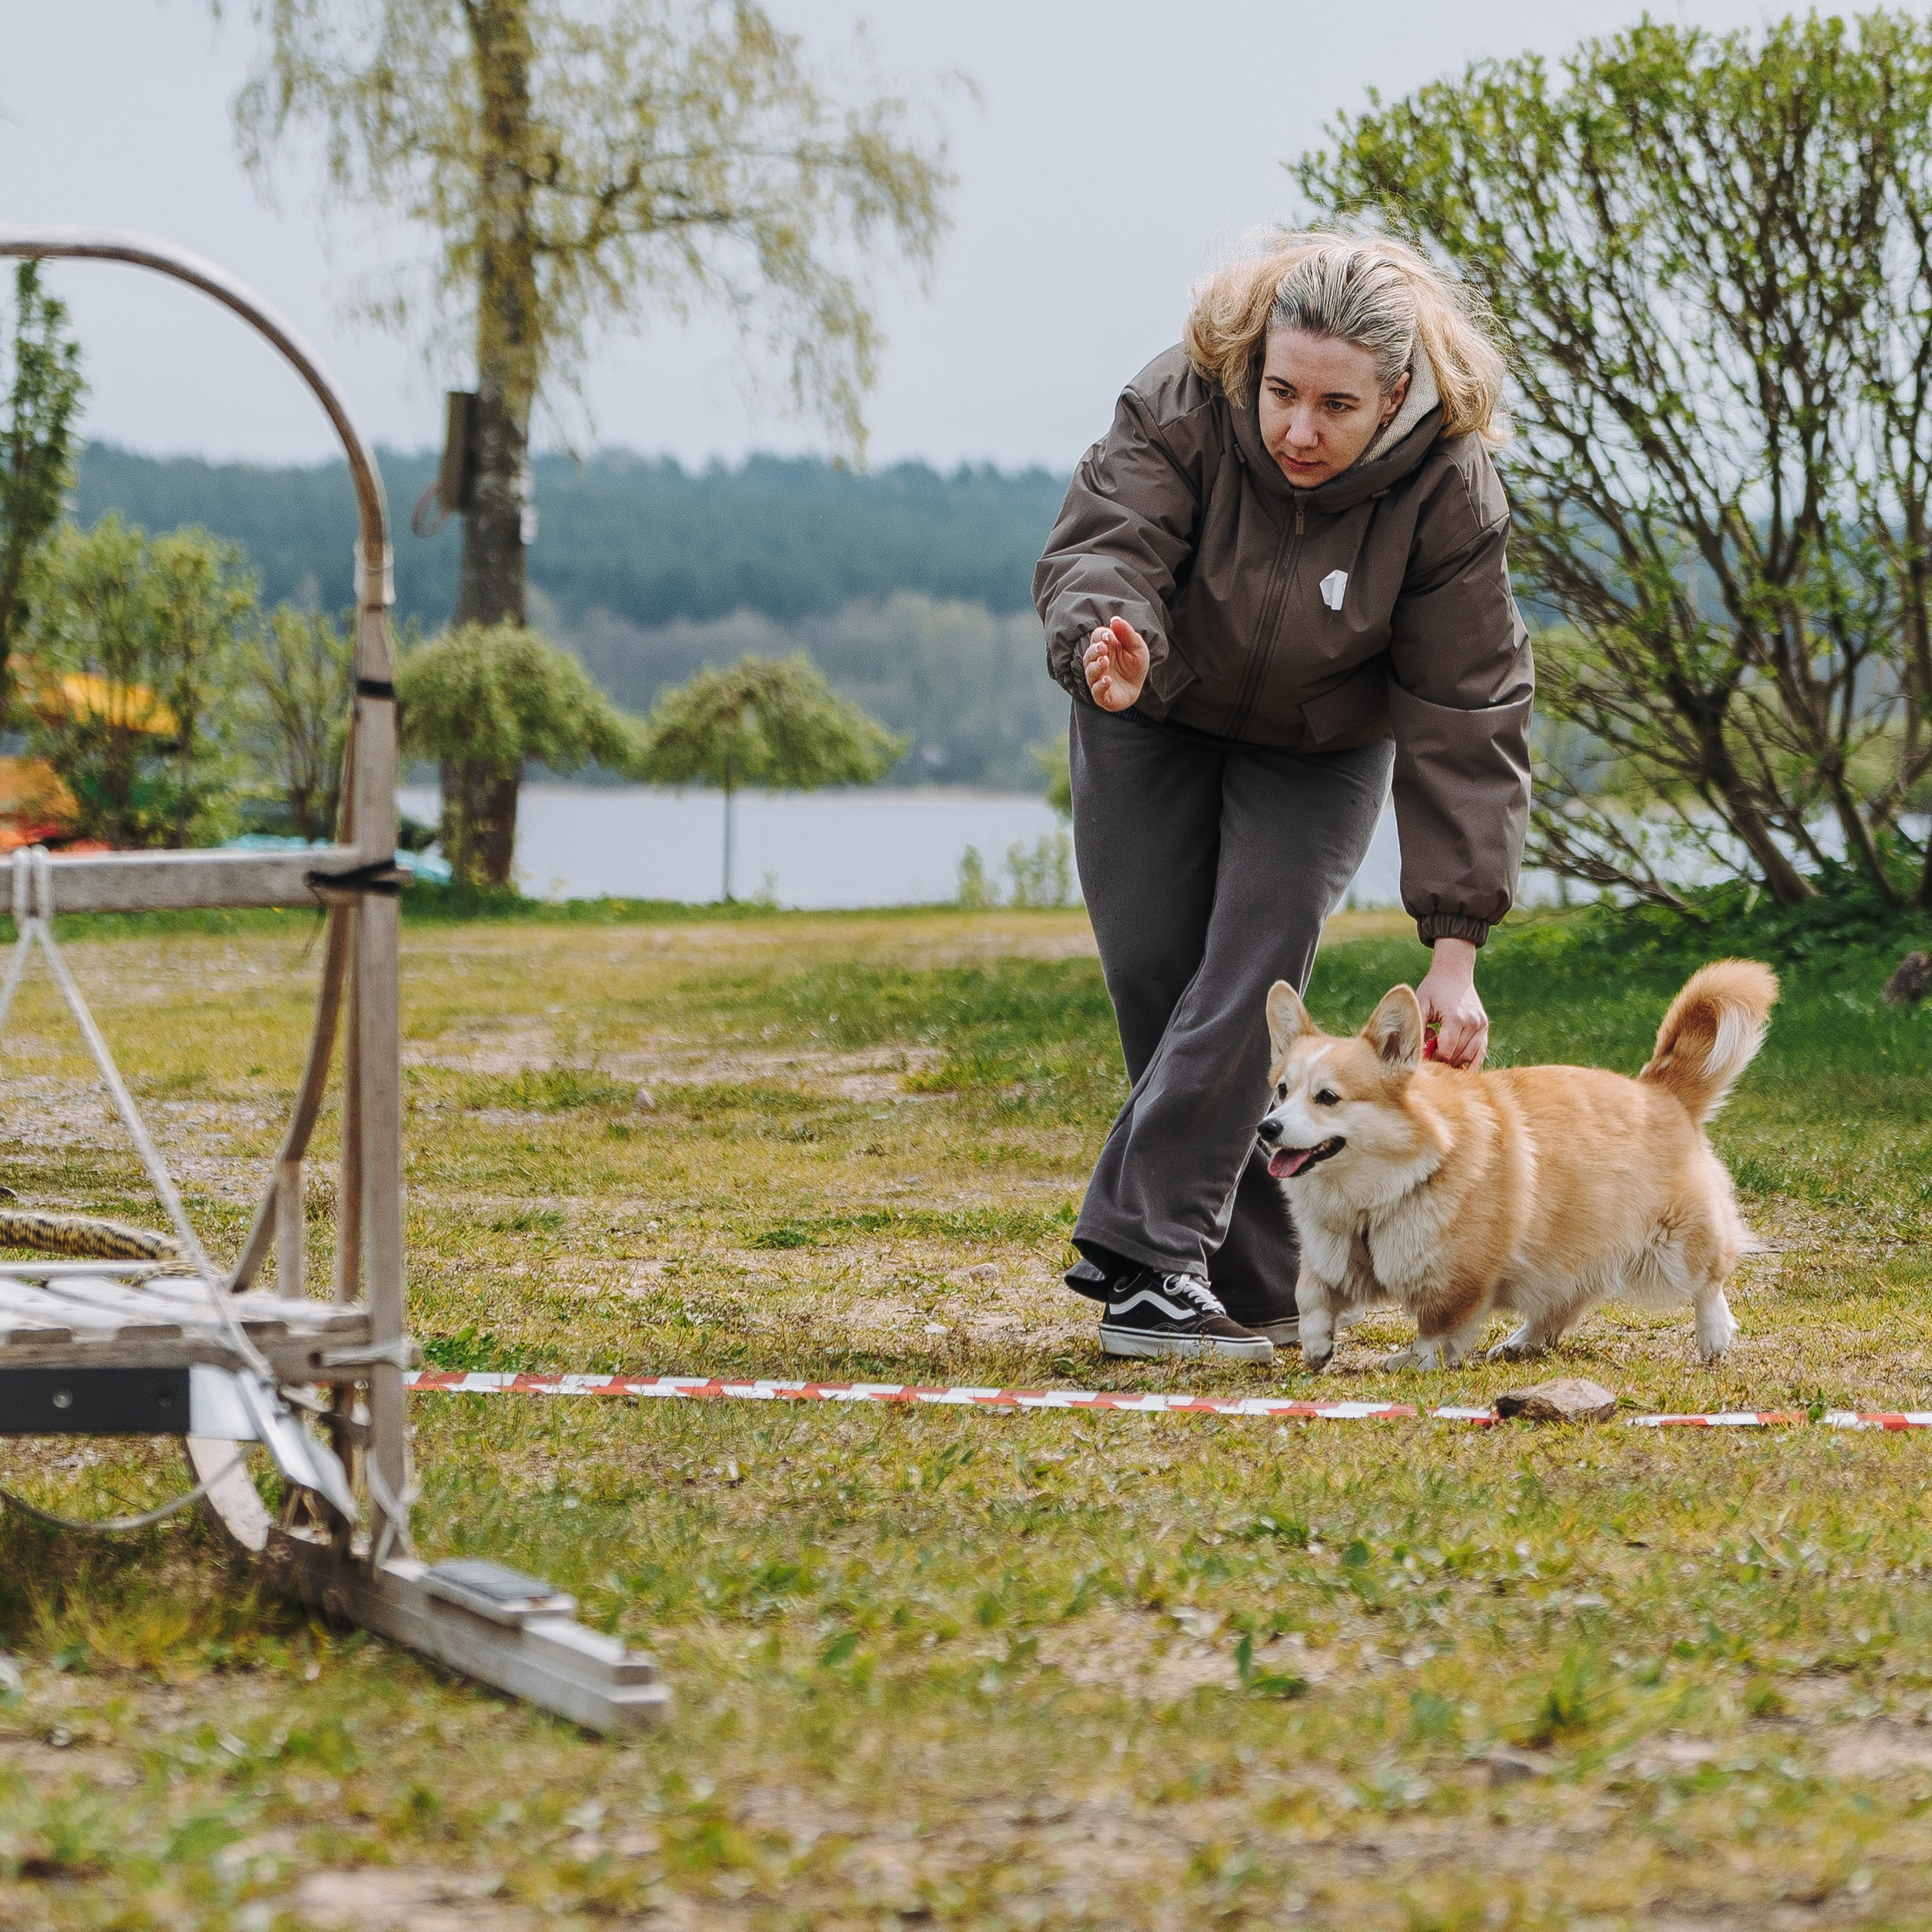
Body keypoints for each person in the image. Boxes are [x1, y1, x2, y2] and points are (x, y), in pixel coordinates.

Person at [1033, 230, 1533, 1364]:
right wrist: (1107, 651)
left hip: (1319, 747)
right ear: (1253, 362)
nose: (1299, 430)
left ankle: (1145, 1260)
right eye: (1282, 393)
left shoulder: (1450, 487)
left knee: (1248, 973)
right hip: (1145, 705)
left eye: (1338, 406)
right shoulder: (1181, 396)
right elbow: (1107, 546)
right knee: (1164, 987)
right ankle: (1258, 1278)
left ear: (1397, 395)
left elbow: (1469, 709)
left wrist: (1455, 947)